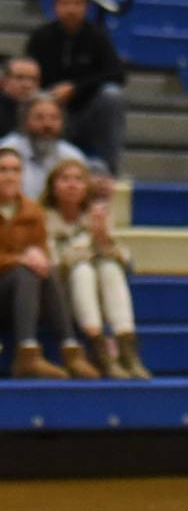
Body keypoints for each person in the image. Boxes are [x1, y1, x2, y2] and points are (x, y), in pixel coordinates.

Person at [43, 158, 150, 379]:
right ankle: (100, 349)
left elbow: (126, 260)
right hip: (60, 293)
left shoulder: (97, 216)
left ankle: (127, 349)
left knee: (110, 268)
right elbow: (54, 263)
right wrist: (90, 250)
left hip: (96, 287)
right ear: (53, 186)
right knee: (83, 270)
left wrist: (102, 239)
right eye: (65, 179)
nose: (72, 185)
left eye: (79, 180)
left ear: (87, 187)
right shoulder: (44, 218)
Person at [0, 147, 96, 379]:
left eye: (15, 170)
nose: (10, 176)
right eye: (3, 170)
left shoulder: (32, 211)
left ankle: (70, 349)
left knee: (45, 268)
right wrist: (21, 258)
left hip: (22, 292)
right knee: (26, 270)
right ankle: (27, 353)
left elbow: (41, 249)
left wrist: (37, 258)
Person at [25, 0, 126, 176]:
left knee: (113, 96)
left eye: (77, 3)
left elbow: (117, 73)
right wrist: (48, 98)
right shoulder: (40, 37)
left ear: (85, 7)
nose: (71, 9)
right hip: (49, 109)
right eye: (65, 3)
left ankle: (108, 171)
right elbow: (30, 74)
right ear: (56, 6)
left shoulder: (97, 37)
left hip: (84, 114)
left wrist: (76, 89)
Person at [0, 95, 105, 200]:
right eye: (39, 118)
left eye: (54, 118)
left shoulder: (71, 155)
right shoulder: (7, 150)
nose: (47, 124)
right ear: (24, 121)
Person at [0, 56, 41, 137]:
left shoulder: (47, 111)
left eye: (34, 79)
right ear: (4, 81)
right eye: (20, 78)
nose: (27, 85)